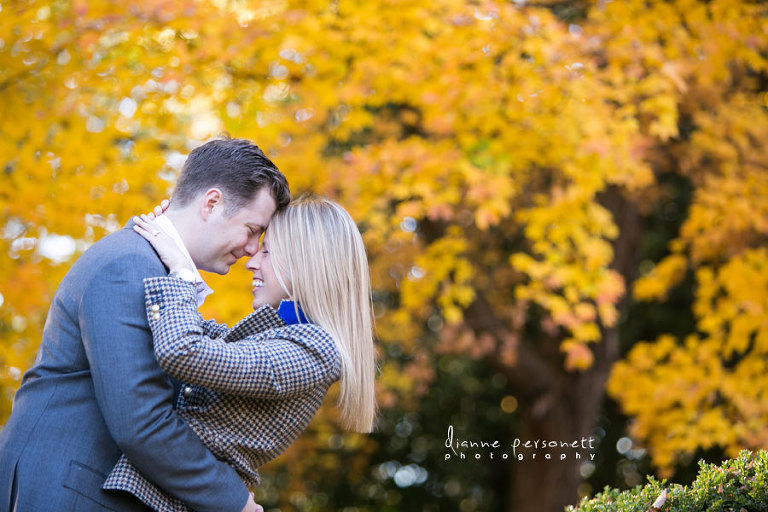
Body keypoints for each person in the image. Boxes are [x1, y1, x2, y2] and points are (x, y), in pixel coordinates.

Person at [0, 138, 290, 512]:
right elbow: (140, 419)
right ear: (212, 203)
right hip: (66, 491)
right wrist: (232, 501)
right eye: (252, 229)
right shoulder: (129, 266)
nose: (253, 248)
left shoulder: (153, 269)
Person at [107, 196, 377, 511]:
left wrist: (182, 272)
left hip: (173, 501)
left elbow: (183, 350)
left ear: (307, 261)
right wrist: (172, 236)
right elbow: (204, 336)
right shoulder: (283, 333)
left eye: (267, 251)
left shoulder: (315, 350)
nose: (251, 261)